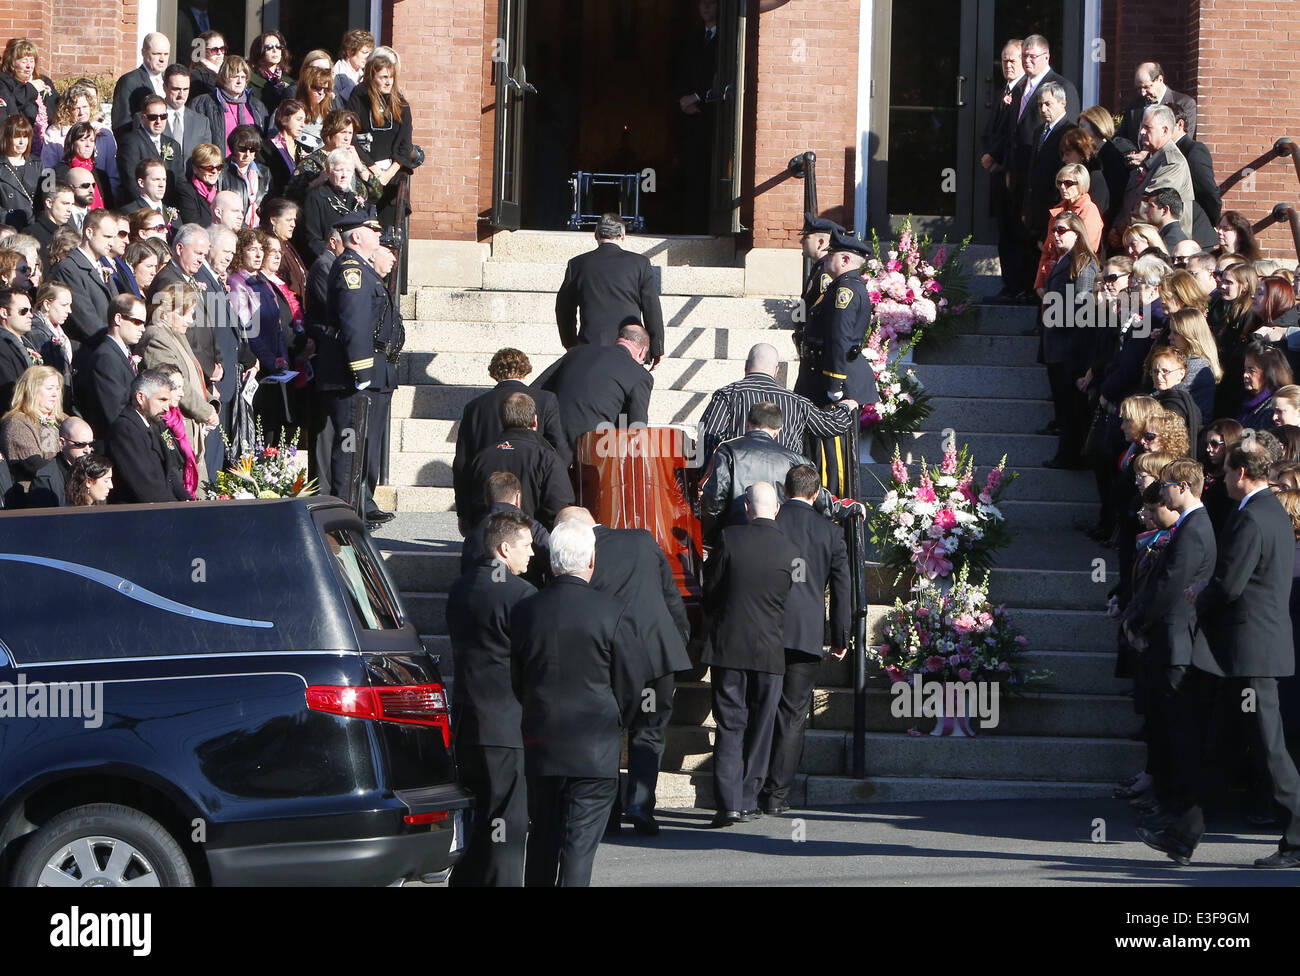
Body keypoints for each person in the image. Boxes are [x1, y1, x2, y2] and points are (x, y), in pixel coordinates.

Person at [1176, 444, 1300, 868]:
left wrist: (1197, 595)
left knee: (1268, 749)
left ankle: (1299, 836)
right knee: (1222, 744)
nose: (1221, 479)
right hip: (1247, 653)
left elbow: (1231, 585)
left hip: (1252, 653)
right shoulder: (1271, 512)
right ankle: (1182, 832)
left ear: (1243, 472)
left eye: (1227, 472)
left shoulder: (1253, 516)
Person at [510, 518, 643, 886]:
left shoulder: (525, 611)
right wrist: (617, 722)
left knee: (542, 841)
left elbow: (517, 680)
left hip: (541, 744)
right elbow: (631, 684)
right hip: (594, 749)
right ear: (591, 561)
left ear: (553, 562)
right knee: (578, 848)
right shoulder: (613, 611)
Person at [556, 506, 691, 837]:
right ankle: (641, 805)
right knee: (650, 732)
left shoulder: (579, 555)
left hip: (612, 658)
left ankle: (611, 812)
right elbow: (671, 596)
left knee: (608, 733)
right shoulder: (643, 539)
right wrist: (680, 637)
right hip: (657, 655)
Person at [446, 510, 536, 888]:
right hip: (505, 725)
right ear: (504, 548)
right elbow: (532, 659)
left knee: (479, 817)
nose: (532, 553)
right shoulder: (521, 595)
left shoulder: (461, 587)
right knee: (507, 821)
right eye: (526, 546)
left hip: (468, 719)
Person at [703, 481, 799, 826]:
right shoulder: (791, 550)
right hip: (770, 651)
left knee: (730, 724)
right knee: (761, 729)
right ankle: (746, 799)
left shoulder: (729, 539)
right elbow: (791, 596)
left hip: (729, 647)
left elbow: (710, 590)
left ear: (747, 507)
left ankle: (727, 802)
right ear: (776, 509)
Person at [759, 464, 850, 814]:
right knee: (793, 715)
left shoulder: (771, 523)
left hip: (764, 629)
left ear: (785, 490)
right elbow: (842, 588)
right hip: (806, 633)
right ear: (815, 495)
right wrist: (839, 635)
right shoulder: (830, 532)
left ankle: (750, 784)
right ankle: (777, 796)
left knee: (760, 707)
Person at [316, 213, 394, 523]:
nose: (378, 236)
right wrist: (362, 371)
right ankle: (343, 518)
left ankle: (355, 510)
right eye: (372, 231)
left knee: (359, 447)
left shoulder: (362, 269)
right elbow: (355, 324)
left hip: (362, 371)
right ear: (357, 237)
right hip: (352, 375)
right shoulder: (352, 270)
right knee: (349, 447)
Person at [792, 230, 876, 494]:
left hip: (835, 383)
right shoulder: (839, 287)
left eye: (831, 255)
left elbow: (839, 338)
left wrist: (835, 384)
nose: (826, 260)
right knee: (821, 452)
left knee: (834, 457)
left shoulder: (846, 290)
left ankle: (835, 513)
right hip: (822, 378)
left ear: (844, 260)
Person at [453, 347, 569, 531]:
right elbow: (560, 449)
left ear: (494, 372)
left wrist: (464, 512)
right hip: (533, 492)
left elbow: (462, 463)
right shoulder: (545, 400)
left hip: (489, 494)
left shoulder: (474, 407)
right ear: (525, 369)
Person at [696, 341, 857, 465]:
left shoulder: (728, 395)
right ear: (776, 370)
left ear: (746, 366)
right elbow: (829, 425)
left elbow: (707, 437)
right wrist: (846, 407)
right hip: (783, 489)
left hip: (737, 487)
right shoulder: (796, 401)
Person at [555, 213, 665, 364]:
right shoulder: (640, 264)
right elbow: (651, 308)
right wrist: (657, 348)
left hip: (590, 347)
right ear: (623, 235)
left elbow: (564, 309)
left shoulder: (577, 264)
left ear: (596, 234)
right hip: (630, 348)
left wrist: (571, 344)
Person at [701, 400, 813, 547]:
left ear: (747, 424)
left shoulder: (728, 450)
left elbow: (714, 499)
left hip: (734, 537)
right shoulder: (796, 460)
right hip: (779, 541)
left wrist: (710, 538)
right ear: (778, 430)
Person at [140, 281, 218, 477]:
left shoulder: (174, 334)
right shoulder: (156, 337)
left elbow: (192, 374)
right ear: (166, 313)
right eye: (185, 314)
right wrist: (206, 411)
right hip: (179, 428)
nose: (190, 321)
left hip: (192, 427)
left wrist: (210, 402)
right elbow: (172, 385)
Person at [463, 392, 573, 529]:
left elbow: (469, 506)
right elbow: (560, 507)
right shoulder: (547, 458)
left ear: (502, 420)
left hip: (488, 540)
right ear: (535, 421)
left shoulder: (481, 458)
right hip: (531, 543)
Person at [536, 323, 654, 450]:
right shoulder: (640, 375)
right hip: (590, 449)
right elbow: (636, 428)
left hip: (547, 439)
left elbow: (537, 388)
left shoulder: (576, 352)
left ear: (617, 340)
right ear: (643, 352)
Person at [344, 51, 412, 225]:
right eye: (383, 77)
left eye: (391, 77)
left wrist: (388, 174)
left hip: (392, 172)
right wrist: (372, 168)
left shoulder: (401, 104)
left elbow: (405, 144)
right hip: (364, 168)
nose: (388, 82)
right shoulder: (359, 97)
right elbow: (350, 136)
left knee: (389, 223)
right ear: (371, 77)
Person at [1020, 83, 1078, 285]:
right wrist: (1027, 207)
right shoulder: (1039, 131)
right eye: (1039, 105)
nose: (1043, 109)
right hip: (1035, 208)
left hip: (1054, 206)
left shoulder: (1069, 132)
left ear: (1063, 103)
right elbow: (1032, 172)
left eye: (1048, 104)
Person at [72, 292, 147, 448]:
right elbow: (115, 413)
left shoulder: (119, 353)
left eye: (144, 323)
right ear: (118, 319)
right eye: (137, 322)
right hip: (119, 446)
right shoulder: (105, 358)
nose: (142, 329)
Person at [982, 38, 1026, 299]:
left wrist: (1000, 160)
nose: (1008, 65)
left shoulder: (1023, 93)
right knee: (1004, 231)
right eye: (1005, 60)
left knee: (1016, 232)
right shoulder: (1003, 91)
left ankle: (1018, 286)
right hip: (997, 174)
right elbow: (992, 131)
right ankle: (1009, 284)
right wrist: (987, 153)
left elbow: (1015, 136)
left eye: (1014, 60)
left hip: (1011, 173)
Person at [107, 367, 188, 504]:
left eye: (168, 401)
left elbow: (168, 474)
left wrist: (188, 501)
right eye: (162, 400)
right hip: (137, 515)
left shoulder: (153, 424)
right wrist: (175, 509)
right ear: (140, 397)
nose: (167, 408)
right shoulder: (125, 429)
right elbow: (143, 482)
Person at [458, 470, 552, 586]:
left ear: (486, 500)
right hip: (526, 595)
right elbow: (552, 561)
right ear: (517, 497)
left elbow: (466, 569)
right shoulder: (533, 528)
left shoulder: (474, 532)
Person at [49, 210, 122, 345]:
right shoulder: (69, 268)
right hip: (90, 350)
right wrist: (114, 345)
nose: (112, 243)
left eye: (114, 237)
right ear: (89, 233)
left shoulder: (101, 265)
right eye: (107, 237)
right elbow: (85, 319)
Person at [285, 109, 382, 208]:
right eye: (343, 132)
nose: (347, 138)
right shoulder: (311, 162)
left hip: (357, 218)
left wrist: (359, 165)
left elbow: (377, 193)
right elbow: (291, 196)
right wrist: (318, 181)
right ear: (330, 132)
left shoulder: (351, 160)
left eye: (350, 133)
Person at [299, 148, 373, 261]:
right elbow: (312, 240)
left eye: (348, 170)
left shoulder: (355, 199)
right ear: (328, 171)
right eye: (339, 170)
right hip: (328, 263)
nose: (344, 175)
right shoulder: (316, 197)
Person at [189, 57, 269, 160]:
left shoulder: (256, 106)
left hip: (249, 168)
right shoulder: (203, 104)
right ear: (223, 77)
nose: (239, 81)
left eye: (243, 77)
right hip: (217, 167)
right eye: (235, 76)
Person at [0, 364, 63, 490]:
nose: (55, 394)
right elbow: (35, 465)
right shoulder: (17, 422)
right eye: (50, 388)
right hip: (35, 495)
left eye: (57, 388)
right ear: (32, 390)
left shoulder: (62, 419)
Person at [1170, 103, 1219, 249]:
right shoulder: (1164, 153)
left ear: (1180, 124)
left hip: (1197, 234)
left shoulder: (1194, 150)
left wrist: (1210, 221)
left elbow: (1208, 192)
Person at [115, 97, 184, 200]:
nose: (158, 121)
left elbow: (179, 181)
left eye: (163, 116)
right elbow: (131, 182)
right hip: (142, 209)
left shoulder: (173, 145)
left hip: (168, 208)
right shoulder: (131, 142)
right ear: (143, 117)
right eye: (153, 117)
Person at [1118, 62, 1197, 149]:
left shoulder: (1184, 104)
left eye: (1146, 87)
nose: (1143, 93)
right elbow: (1122, 137)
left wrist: (1149, 155)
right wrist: (1131, 152)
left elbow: (1182, 142)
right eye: (1139, 88)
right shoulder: (1133, 106)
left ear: (1160, 79)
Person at [26, 415, 94, 507]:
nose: (87, 450)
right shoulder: (44, 479)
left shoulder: (95, 471)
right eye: (80, 444)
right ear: (62, 443)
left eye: (90, 444)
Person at [111, 33, 171, 134]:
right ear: (143, 52)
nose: (162, 59)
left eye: (166, 54)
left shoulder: (169, 83)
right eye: (156, 54)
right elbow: (121, 123)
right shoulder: (129, 81)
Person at [219, 125, 271, 230]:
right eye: (242, 149)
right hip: (231, 229)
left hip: (259, 229)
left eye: (252, 150)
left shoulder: (264, 172)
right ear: (233, 148)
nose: (247, 154)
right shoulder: (222, 171)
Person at [160, 64, 213, 166]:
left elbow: (206, 159)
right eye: (176, 89)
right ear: (165, 87)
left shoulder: (201, 122)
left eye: (185, 89)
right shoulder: (152, 118)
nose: (181, 94)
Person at [28, 281, 73, 397]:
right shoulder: (35, 331)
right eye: (64, 305)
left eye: (70, 305)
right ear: (47, 304)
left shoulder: (57, 331)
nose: (69, 310)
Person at [0, 288, 40, 407]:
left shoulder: (25, 342)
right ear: (4, 313)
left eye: (31, 310)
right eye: (23, 311)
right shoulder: (2, 346)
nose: (30, 315)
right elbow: (9, 392)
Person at [0, 114, 41, 231]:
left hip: (34, 227)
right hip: (7, 230)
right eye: (17, 137)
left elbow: (48, 196)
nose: (22, 141)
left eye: (26, 136)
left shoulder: (38, 164)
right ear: (6, 138)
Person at [262, 100, 308, 199]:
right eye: (299, 119)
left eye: (304, 121)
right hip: (276, 202)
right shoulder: (266, 148)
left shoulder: (301, 149)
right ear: (284, 119)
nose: (303, 125)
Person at [1239, 344, 1292, 429]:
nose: (1245, 375)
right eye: (1245, 369)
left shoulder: (1274, 408)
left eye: (1251, 370)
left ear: (1269, 373)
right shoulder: (1245, 399)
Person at [174, 143, 223, 227]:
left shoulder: (219, 194)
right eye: (209, 167)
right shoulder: (187, 191)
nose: (214, 171)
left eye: (218, 167)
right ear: (195, 169)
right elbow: (193, 225)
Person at [247, 31, 295, 113]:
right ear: (259, 51)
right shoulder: (249, 80)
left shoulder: (290, 83)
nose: (275, 50)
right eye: (269, 47)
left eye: (278, 47)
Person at [294, 64, 338, 151]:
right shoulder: (288, 112)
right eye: (318, 88)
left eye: (326, 89)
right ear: (306, 87)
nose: (321, 93)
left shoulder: (329, 116)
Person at [26, 182, 73, 263]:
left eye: (72, 204)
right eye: (65, 203)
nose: (69, 209)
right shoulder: (31, 234)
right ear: (49, 203)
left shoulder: (70, 232)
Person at [120, 158, 171, 223]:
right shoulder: (130, 213)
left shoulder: (171, 214)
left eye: (164, 179)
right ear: (141, 183)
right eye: (156, 179)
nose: (162, 185)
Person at [332, 29, 375, 103]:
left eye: (370, 53)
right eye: (364, 52)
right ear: (349, 51)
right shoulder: (335, 75)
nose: (368, 57)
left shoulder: (363, 75)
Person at [1141, 187, 1189, 253]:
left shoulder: (1171, 240)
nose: (1146, 211)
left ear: (1165, 210)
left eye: (1151, 206)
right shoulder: (1171, 235)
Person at [187, 29, 226, 101]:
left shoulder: (228, 72)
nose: (219, 53)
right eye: (214, 50)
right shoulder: (196, 75)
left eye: (222, 49)